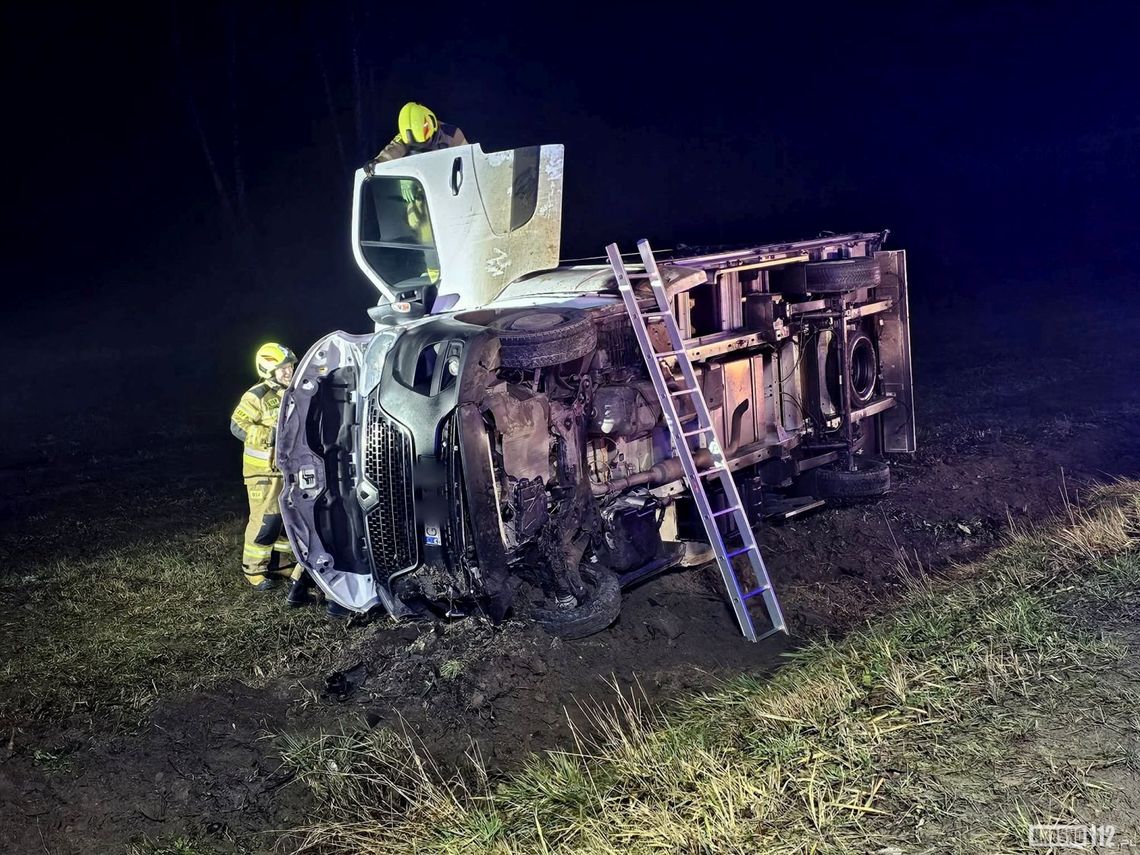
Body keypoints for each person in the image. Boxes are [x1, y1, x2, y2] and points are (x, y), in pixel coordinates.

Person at [229, 343, 301, 591]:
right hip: (263, 472)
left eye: (290, 366)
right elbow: (237, 425)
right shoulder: (257, 395)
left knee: (286, 519)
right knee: (266, 521)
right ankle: (254, 569)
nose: (288, 371)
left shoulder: (293, 393)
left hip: (288, 470)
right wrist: (268, 434)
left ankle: (281, 563)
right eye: (282, 368)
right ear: (268, 369)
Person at [364, 102, 467, 172]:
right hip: (419, 179)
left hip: (445, 176)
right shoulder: (405, 137)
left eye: (425, 142)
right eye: (416, 145)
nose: (423, 146)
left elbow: (467, 161)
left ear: (431, 126)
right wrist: (377, 162)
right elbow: (393, 150)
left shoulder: (453, 135)